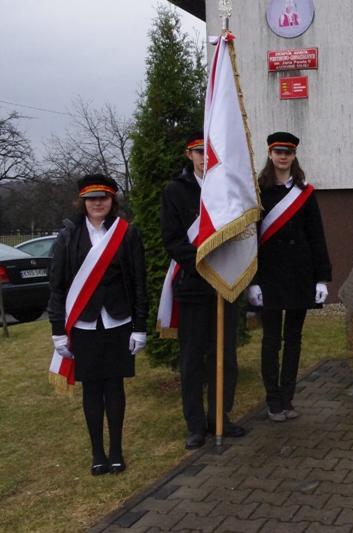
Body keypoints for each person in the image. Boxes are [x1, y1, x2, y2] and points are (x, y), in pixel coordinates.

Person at [48, 174, 147, 476]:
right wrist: (57, 331)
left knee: (114, 387)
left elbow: (138, 283)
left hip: (118, 321)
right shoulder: (69, 236)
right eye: (92, 198)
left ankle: (116, 451)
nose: (98, 203)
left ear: (112, 200)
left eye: (104, 197)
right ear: (83, 202)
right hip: (84, 325)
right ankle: (97, 453)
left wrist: (140, 326)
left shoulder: (127, 233)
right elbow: (58, 286)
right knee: (92, 389)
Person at [160, 131, 246, 449]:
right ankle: (195, 425)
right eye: (198, 152)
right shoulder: (175, 191)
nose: (202, 157)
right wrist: (203, 262)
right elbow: (172, 239)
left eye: (207, 152)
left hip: (224, 283)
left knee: (226, 357)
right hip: (194, 286)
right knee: (193, 359)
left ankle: (220, 418)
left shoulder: (226, 190)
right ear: (189, 155)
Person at [248, 131, 332, 422]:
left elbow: (316, 236)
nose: (283, 156)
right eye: (278, 151)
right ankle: (273, 400)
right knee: (271, 339)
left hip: (299, 274)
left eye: (288, 152)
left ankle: (288, 397)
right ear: (270, 154)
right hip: (269, 275)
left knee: (293, 338)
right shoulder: (257, 191)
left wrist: (321, 278)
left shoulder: (305, 192)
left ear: (294, 156)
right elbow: (250, 240)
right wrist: (253, 281)